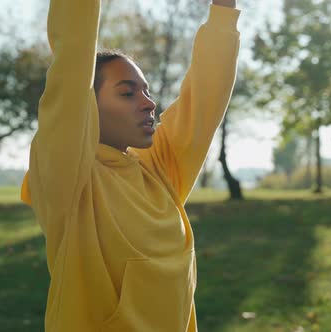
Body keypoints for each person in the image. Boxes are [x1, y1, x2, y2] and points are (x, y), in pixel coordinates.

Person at [20, 0, 240, 330]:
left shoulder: (159, 170)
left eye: (146, 91)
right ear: (87, 107)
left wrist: (223, 9)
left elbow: (206, 95)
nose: (149, 103)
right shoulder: (68, 177)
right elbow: (72, 57)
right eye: (127, 93)